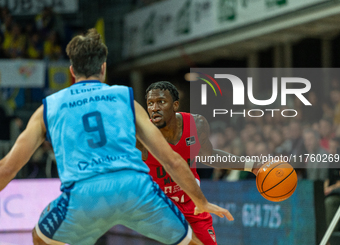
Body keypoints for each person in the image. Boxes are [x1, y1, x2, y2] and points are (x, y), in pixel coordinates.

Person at [0, 29, 233, 245]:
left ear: (71, 72)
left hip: (84, 193)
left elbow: (8, 169)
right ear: (103, 68)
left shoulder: (48, 108)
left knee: (39, 237)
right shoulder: (125, 99)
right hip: (134, 189)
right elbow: (171, 159)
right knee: (191, 242)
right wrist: (201, 201)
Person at [137, 81, 259, 245]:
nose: (154, 108)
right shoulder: (142, 136)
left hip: (193, 201)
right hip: (161, 206)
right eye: (150, 103)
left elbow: (209, 156)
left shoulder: (196, 124)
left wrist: (252, 166)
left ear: (175, 105)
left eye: (161, 102)